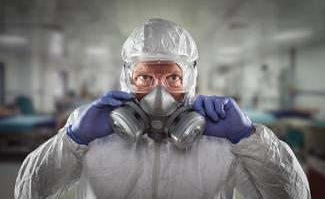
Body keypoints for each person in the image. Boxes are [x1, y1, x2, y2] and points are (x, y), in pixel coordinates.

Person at [15, 18, 310, 199]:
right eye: (145, 77)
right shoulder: (89, 126)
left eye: (172, 77)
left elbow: (294, 195)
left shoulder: (221, 136)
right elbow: (28, 192)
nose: (159, 91)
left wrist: (249, 138)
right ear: (128, 77)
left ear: (189, 79)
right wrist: (73, 140)